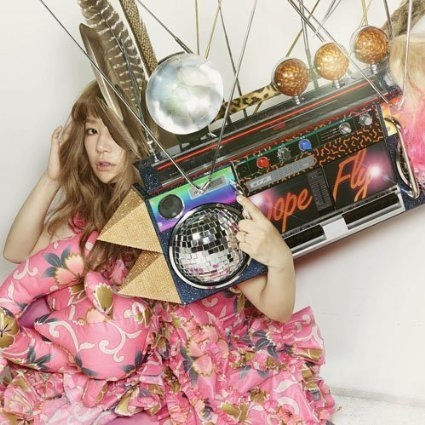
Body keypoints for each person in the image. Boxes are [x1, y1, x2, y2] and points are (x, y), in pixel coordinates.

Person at [0, 80, 335, 424]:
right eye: (91, 131)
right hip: (140, 363)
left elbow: (276, 308)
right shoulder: (94, 216)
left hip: (205, 355)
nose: (101, 147)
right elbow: (18, 250)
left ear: (145, 137)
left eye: (114, 132)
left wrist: (279, 259)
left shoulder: (190, 203)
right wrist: (52, 179)